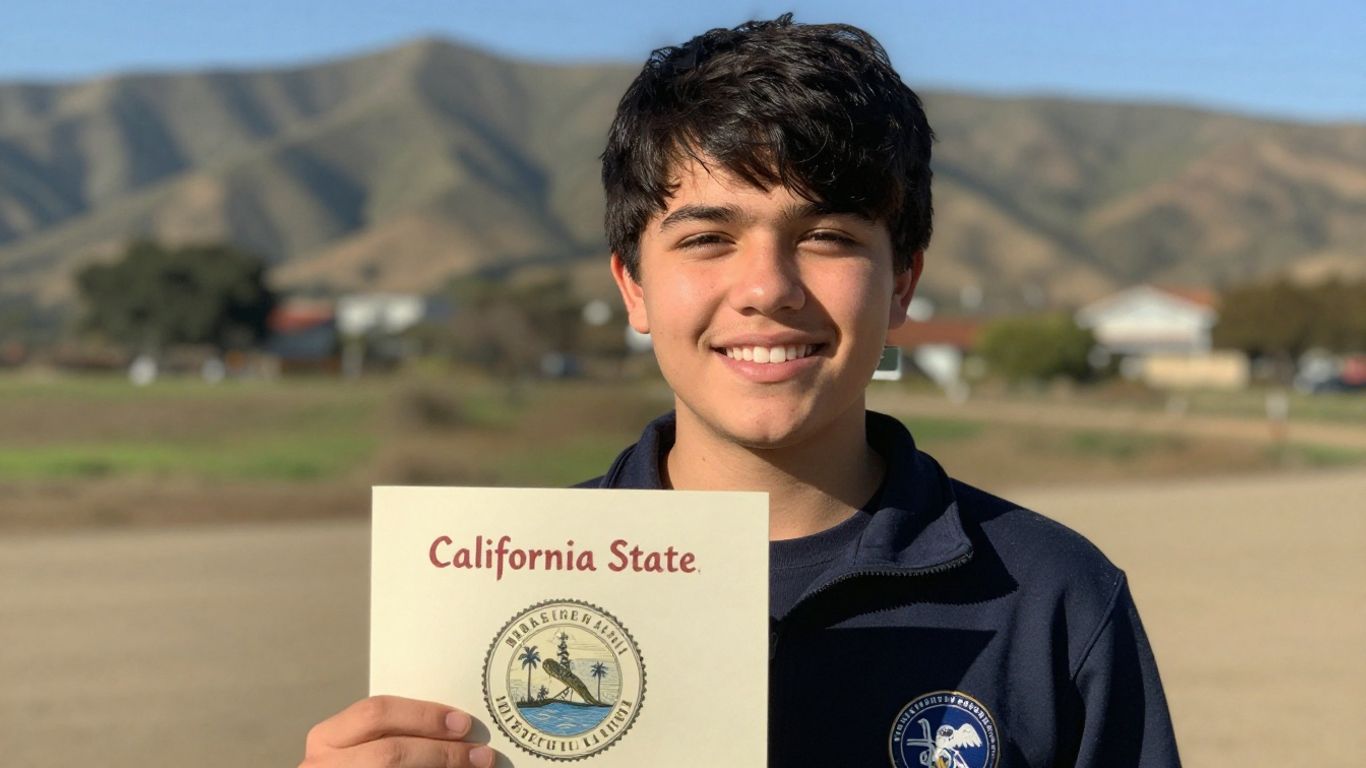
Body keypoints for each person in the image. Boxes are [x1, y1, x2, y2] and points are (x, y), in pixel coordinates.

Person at [300, 15, 1181, 768]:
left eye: (827, 235)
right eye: (708, 239)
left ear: (903, 281)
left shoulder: (1055, 597)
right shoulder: (497, 591)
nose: (768, 288)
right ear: (633, 285)